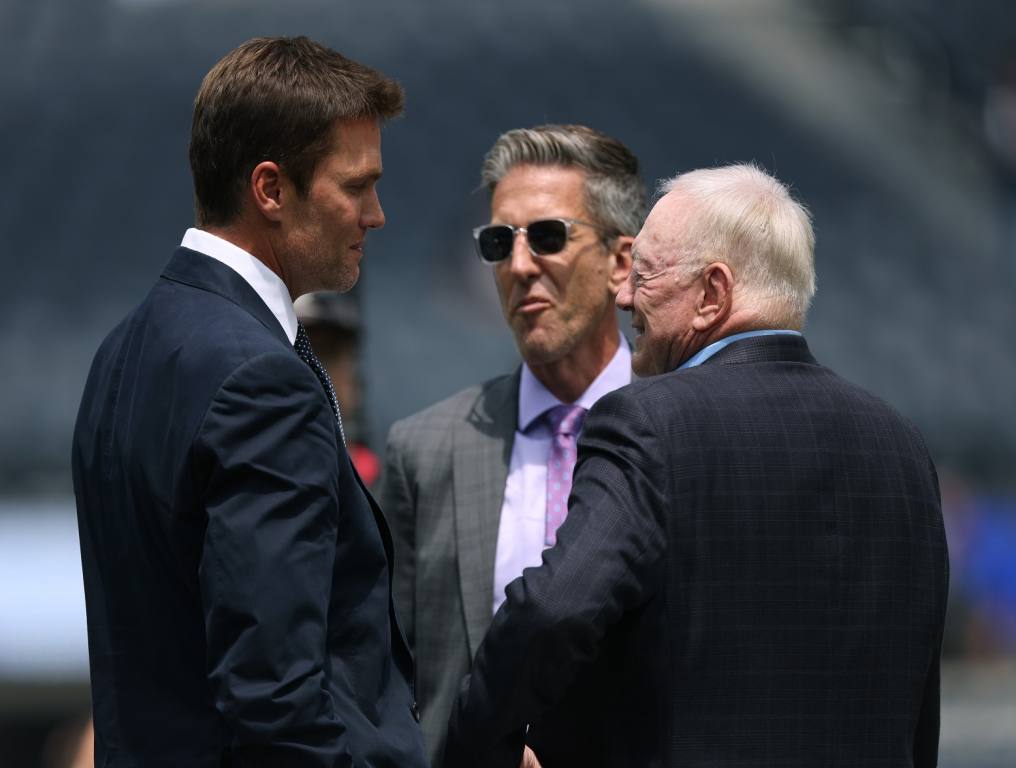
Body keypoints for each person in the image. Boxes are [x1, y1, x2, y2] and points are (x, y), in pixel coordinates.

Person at [443, 164, 950, 768]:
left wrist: (475, 748)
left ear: (713, 294)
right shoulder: (901, 447)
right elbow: (916, 697)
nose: (624, 295)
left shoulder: (647, 423)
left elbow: (551, 611)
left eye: (646, 275)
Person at [72, 37, 426, 767]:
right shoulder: (260, 378)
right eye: (355, 186)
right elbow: (275, 698)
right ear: (271, 189)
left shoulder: (123, 350)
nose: (376, 214)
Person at [378, 124, 645, 767]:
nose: (520, 265)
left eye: (549, 236)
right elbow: (386, 677)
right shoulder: (426, 450)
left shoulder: (691, 438)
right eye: (501, 242)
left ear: (621, 262)